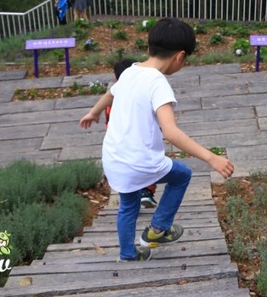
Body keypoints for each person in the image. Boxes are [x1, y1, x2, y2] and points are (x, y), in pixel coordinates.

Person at [78, 18, 234, 261]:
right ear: (180, 57)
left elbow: (110, 93)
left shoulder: (129, 72)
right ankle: (158, 229)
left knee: (128, 205)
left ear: (150, 46)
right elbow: (170, 132)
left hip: (114, 159)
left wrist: (94, 112)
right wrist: (211, 158)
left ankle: (128, 253)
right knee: (182, 175)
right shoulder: (158, 84)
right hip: (140, 162)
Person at [104, 58, 158, 209]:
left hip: (118, 144)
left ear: (116, 79)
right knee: (148, 164)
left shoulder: (112, 99)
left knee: (127, 174)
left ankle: (131, 199)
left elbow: (108, 122)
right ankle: (145, 192)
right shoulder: (141, 94)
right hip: (140, 140)